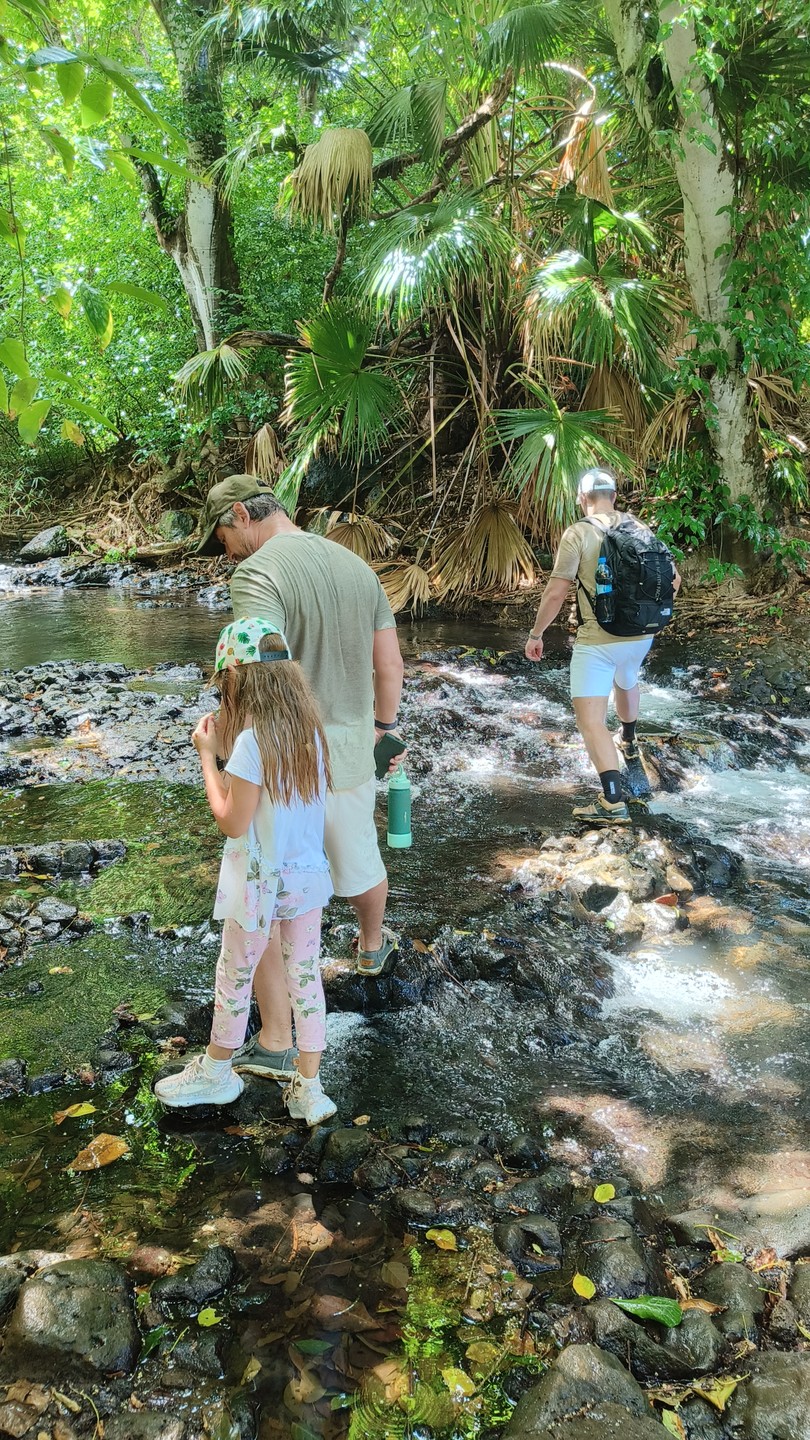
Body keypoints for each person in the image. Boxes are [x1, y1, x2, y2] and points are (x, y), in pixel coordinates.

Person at [197, 475, 405, 1006]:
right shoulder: (357, 567)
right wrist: (380, 729)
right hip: (353, 739)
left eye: (223, 538)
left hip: (287, 749)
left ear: (242, 515)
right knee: (357, 855)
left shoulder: (257, 572)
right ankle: (371, 946)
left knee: (272, 872)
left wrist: (225, 751)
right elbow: (389, 665)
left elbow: (253, 671)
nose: (226, 553)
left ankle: (279, 1016)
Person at [154, 617, 337, 1126]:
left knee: (234, 974)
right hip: (306, 878)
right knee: (306, 978)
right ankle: (310, 1088)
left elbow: (233, 822)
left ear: (237, 681)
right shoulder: (310, 734)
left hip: (260, 882)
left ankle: (216, 1071)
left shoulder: (254, 744)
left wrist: (208, 759)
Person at [524, 468, 680, 824]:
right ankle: (629, 739)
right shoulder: (641, 528)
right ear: (614, 496)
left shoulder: (578, 532)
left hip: (597, 641)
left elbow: (556, 592)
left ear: (582, 498)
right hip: (641, 636)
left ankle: (612, 800)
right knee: (627, 678)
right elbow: (674, 579)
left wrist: (536, 634)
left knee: (591, 721)